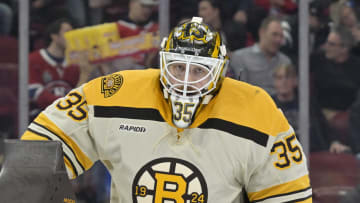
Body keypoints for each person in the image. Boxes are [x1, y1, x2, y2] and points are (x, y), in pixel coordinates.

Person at [21, 17, 312, 202]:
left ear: (221, 72)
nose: (185, 81)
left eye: (198, 70)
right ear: (162, 63)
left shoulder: (257, 108)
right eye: (176, 67)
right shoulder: (115, 90)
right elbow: (27, 163)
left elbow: (289, 196)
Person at [28, 18, 82, 121]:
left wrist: (86, 72)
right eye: (67, 32)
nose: (72, 37)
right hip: (40, 119)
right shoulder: (34, 59)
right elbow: (34, 93)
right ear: (54, 36)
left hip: (68, 119)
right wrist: (67, 104)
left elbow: (80, 96)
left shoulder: (76, 63)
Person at [229, 15, 292, 95]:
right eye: (274, 34)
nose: (278, 40)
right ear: (261, 32)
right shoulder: (240, 57)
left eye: (281, 36)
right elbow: (240, 91)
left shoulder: (285, 61)